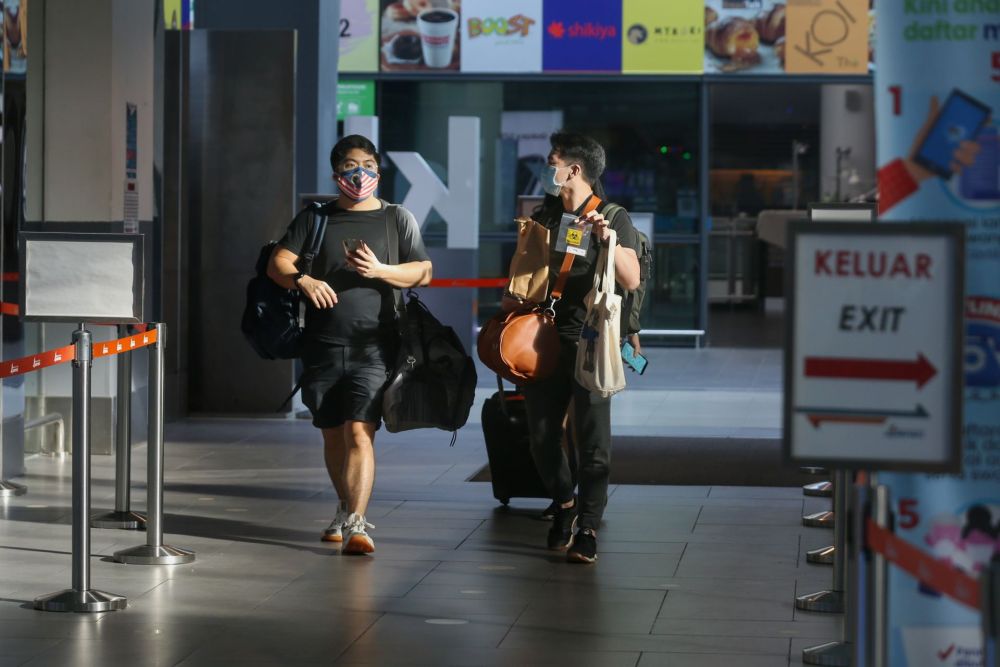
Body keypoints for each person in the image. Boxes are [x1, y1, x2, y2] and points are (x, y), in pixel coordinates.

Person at [267, 134, 432, 555]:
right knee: (332, 434)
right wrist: (303, 279)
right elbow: (277, 262)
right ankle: (344, 507)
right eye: (350, 167)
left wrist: (380, 271)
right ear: (336, 174)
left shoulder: (396, 218)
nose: (360, 175)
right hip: (321, 344)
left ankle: (358, 523)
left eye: (368, 166)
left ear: (379, 170)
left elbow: (423, 271)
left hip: (375, 345)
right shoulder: (316, 218)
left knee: (360, 430)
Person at [504, 132, 641, 563]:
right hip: (542, 340)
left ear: (573, 170)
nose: (548, 168)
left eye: (552, 161)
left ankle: (588, 527)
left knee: (593, 440)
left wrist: (606, 239)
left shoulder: (613, 217)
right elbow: (524, 277)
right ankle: (565, 503)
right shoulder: (544, 215)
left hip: (591, 340)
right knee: (542, 438)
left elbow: (632, 278)